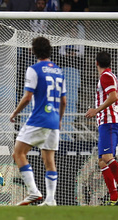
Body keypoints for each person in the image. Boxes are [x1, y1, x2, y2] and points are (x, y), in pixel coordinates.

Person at [10, 37, 66, 206]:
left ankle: (33, 191)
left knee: (18, 153)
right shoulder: (59, 70)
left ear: (33, 51)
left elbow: (27, 97)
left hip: (39, 118)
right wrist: (60, 120)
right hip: (54, 120)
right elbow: (64, 101)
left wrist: (15, 112)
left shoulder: (34, 69)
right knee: (49, 159)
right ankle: (50, 199)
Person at [85, 51, 118, 206]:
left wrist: (95, 110)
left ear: (96, 63)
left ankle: (115, 195)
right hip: (106, 122)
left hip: (109, 122)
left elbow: (113, 96)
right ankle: (114, 197)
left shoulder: (106, 76)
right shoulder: (109, 76)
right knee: (102, 161)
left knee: (106, 157)